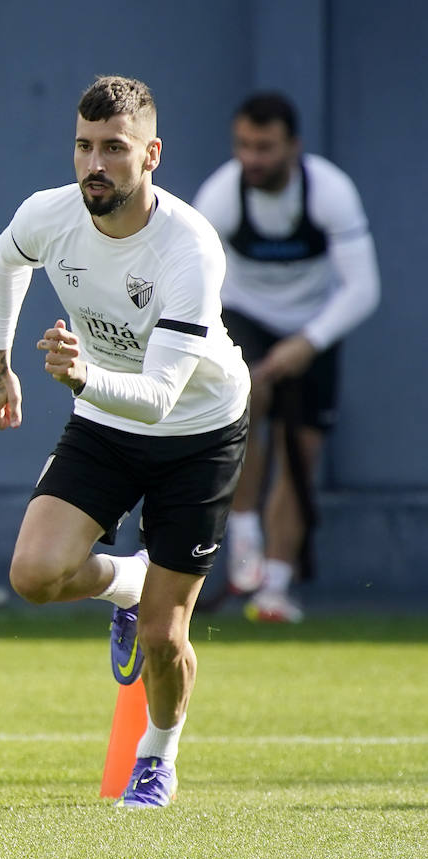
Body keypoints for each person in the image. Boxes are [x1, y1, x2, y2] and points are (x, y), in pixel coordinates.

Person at [0, 76, 250, 809]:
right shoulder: (51, 215)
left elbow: (162, 398)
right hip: (104, 418)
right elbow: (9, 260)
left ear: (151, 154)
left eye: (114, 149)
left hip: (197, 432)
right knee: (35, 575)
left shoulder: (189, 248)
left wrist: (82, 375)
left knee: (165, 639)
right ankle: (127, 581)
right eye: (83, 146)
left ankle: (157, 756)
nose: (94, 164)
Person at [193, 92, 380, 624]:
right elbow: (197, 283)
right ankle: (245, 538)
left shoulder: (331, 193)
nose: (252, 158)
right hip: (243, 312)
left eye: (266, 147)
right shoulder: (222, 197)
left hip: (314, 325)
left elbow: (363, 289)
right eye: (244, 146)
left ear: (293, 147)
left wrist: (307, 342)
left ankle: (273, 589)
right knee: (246, 401)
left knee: (302, 448)